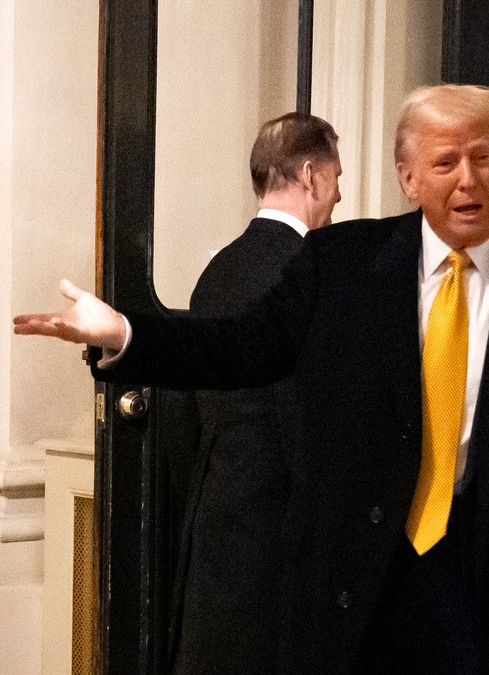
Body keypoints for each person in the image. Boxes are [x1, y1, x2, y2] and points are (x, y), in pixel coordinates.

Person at [15, 84, 489, 673]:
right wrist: (127, 333)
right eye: (446, 162)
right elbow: (243, 346)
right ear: (408, 176)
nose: (468, 179)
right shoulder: (343, 263)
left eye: (483, 157)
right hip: (364, 578)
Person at [171, 112, 340, 674]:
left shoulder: (218, 268)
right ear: (312, 175)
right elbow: (307, 418)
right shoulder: (309, 271)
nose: (340, 195)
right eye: (337, 178)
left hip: (216, 519)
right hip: (281, 536)